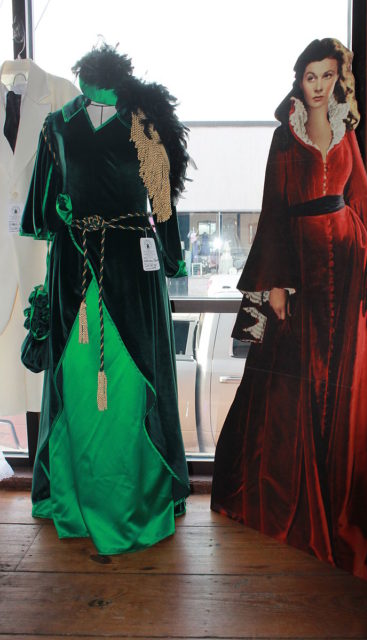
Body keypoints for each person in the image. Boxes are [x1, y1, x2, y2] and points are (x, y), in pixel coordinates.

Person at [211, 38, 367, 584]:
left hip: (347, 272)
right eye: (310, 76)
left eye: (326, 75)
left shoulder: (346, 133)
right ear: (298, 81)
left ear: (337, 80)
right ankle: (296, 503)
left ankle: (339, 495)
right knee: (292, 385)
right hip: (299, 270)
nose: (319, 85)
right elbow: (273, 209)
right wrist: (274, 282)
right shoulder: (285, 136)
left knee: (342, 385)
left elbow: (362, 200)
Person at [20, 44, 190, 554]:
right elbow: (42, 212)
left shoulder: (144, 124)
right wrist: (63, 213)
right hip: (74, 270)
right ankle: (75, 500)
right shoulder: (56, 126)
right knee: (76, 382)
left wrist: (171, 256)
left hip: (132, 273)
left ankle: (136, 500)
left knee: (131, 387)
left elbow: (162, 203)